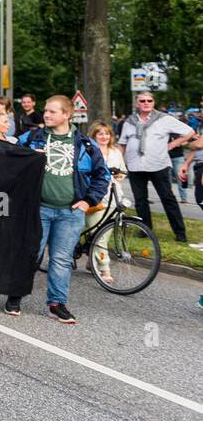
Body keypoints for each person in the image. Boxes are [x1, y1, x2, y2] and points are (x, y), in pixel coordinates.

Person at [13, 97, 110, 322]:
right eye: (45, 111)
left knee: (61, 259)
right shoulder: (32, 138)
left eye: (52, 112)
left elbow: (102, 176)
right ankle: (15, 295)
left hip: (70, 212)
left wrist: (88, 201)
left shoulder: (85, 144)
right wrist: (28, 160)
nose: (46, 115)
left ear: (67, 114)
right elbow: (9, 156)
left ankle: (57, 303)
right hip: (39, 209)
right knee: (30, 254)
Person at [118, 91, 195, 244]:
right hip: (135, 166)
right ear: (137, 104)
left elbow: (190, 132)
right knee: (140, 201)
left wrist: (173, 144)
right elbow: (122, 144)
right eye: (142, 101)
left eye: (149, 100)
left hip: (158, 165)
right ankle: (145, 230)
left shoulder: (164, 119)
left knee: (168, 199)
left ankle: (180, 233)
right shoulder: (129, 122)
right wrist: (117, 161)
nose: (146, 103)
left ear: (153, 103)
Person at [85, 122, 128, 282]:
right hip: (96, 198)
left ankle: (92, 260)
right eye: (100, 134)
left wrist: (118, 175)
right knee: (99, 235)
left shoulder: (115, 151)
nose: (104, 137)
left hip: (114, 197)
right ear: (94, 136)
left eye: (107, 134)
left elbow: (123, 171)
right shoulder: (90, 151)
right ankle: (105, 269)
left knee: (105, 234)